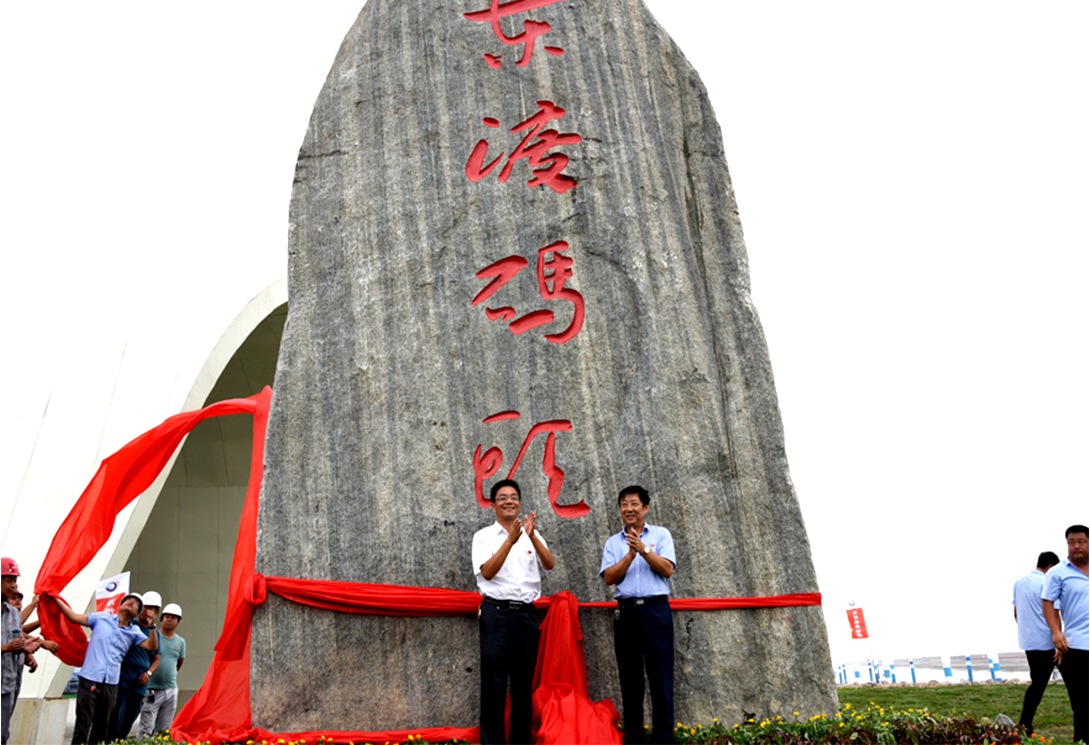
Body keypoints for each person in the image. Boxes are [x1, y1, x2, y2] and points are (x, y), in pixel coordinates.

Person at [472, 478, 555, 744]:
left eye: (514, 497)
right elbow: (487, 571)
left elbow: (550, 564)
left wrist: (531, 537)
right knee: (494, 686)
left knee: (523, 687)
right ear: (493, 506)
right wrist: (510, 540)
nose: (509, 501)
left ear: (519, 503)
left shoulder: (531, 532)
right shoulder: (483, 537)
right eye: (503, 498)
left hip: (526, 616)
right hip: (497, 614)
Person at [600, 485, 676, 745]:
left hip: (656, 611)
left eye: (634, 503)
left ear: (646, 507)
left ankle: (663, 740)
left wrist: (643, 549)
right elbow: (610, 577)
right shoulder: (613, 542)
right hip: (627, 613)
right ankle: (633, 739)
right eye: (624, 504)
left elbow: (667, 569)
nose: (628, 508)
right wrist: (629, 555)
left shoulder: (661, 535)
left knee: (661, 680)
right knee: (631, 682)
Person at [52, 592, 158, 745]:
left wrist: (152, 626)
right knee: (83, 725)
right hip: (90, 679)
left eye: (136, 603)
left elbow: (152, 646)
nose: (131, 602)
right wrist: (55, 597)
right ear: (120, 605)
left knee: (101, 728)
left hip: (111, 683)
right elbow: (73, 617)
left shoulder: (134, 632)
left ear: (137, 613)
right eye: (128, 599)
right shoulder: (101, 618)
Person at [1043, 524, 1088, 745]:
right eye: (1072, 542)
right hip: (1077, 647)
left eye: (1081, 541)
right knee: (1082, 705)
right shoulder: (1058, 572)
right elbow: (1048, 603)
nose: (1076, 546)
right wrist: (1056, 634)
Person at [1013, 550, 1060, 735]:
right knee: (1041, 684)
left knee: (1038, 682)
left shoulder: (1019, 583)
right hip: (1048, 641)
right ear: (1051, 567)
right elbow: (1055, 614)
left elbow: (1016, 613)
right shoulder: (1047, 583)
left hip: (1028, 641)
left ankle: (1025, 723)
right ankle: (1025, 723)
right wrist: (1060, 638)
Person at [109, 591, 162, 741]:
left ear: (157, 611)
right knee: (115, 722)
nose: (147, 611)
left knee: (127, 724)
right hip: (122, 683)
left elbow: (156, 659)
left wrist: (149, 673)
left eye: (151, 608)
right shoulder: (131, 625)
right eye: (145, 607)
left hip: (139, 688)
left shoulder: (155, 633)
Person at [2, 558, 41, 745]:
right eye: (9, 580)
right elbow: (8, 645)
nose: (14, 586)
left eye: (15, 580)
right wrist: (7, 648)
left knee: (2, 734)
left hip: (8, 684)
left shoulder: (13, 614)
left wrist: (26, 651)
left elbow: (17, 639)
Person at [138, 603, 186, 738]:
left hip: (171, 689)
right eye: (167, 617)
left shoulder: (180, 642)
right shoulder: (153, 634)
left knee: (164, 729)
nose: (169, 620)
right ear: (161, 619)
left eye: (173, 618)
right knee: (146, 727)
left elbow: (179, 663)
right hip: (151, 689)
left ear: (178, 622)